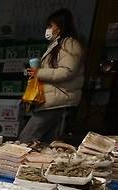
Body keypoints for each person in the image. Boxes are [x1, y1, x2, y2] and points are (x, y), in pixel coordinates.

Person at [19, 8, 84, 143]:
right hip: (52, 100)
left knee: (26, 139)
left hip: (56, 101)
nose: (48, 29)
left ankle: (24, 163)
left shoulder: (69, 44)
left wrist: (39, 73)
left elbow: (67, 71)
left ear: (60, 26)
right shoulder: (58, 44)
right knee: (46, 142)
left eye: (50, 26)